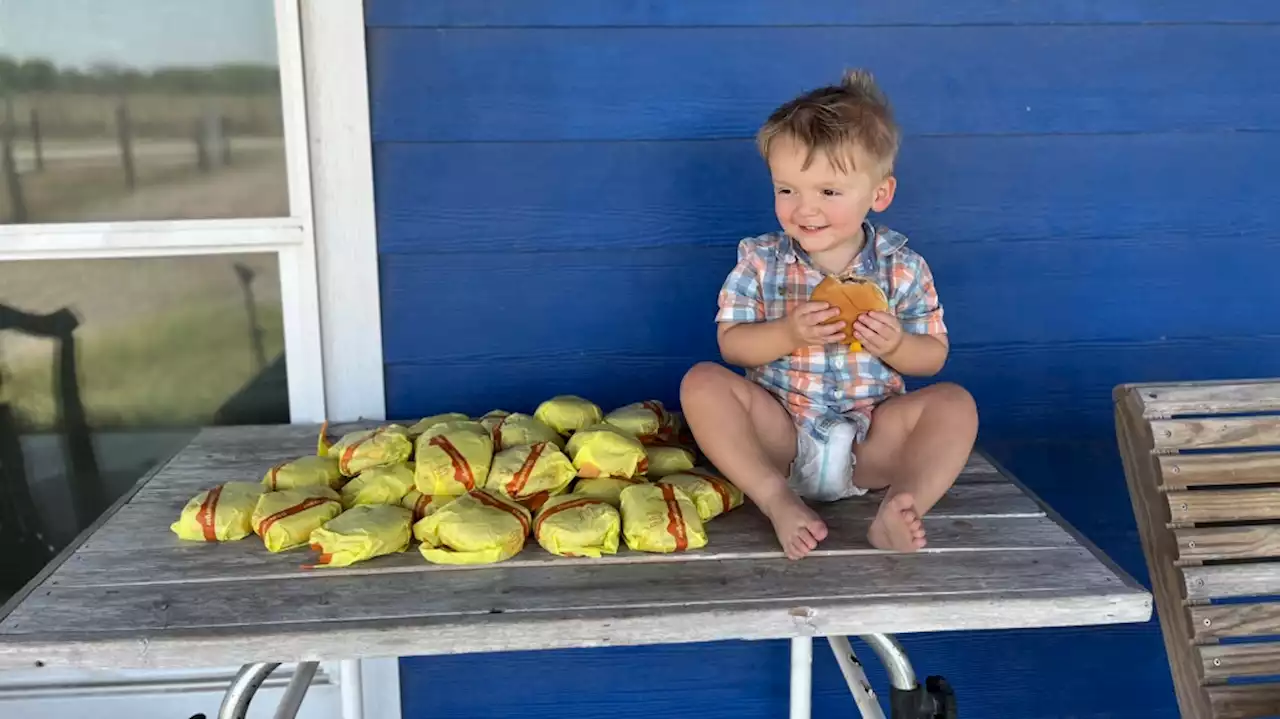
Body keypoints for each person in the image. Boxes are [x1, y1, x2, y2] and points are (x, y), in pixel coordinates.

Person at [680, 69, 978, 560]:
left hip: (870, 443)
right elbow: (731, 345)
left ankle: (901, 508)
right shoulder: (760, 261)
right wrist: (787, 332)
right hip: (781, 436)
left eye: (829, 192)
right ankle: (776, 499)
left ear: (878, 195)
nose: (804, 209)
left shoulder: (901, 268)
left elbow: (933, 358)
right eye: (787, 190)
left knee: (955, 405)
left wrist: (898, 346)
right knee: (701, 383)